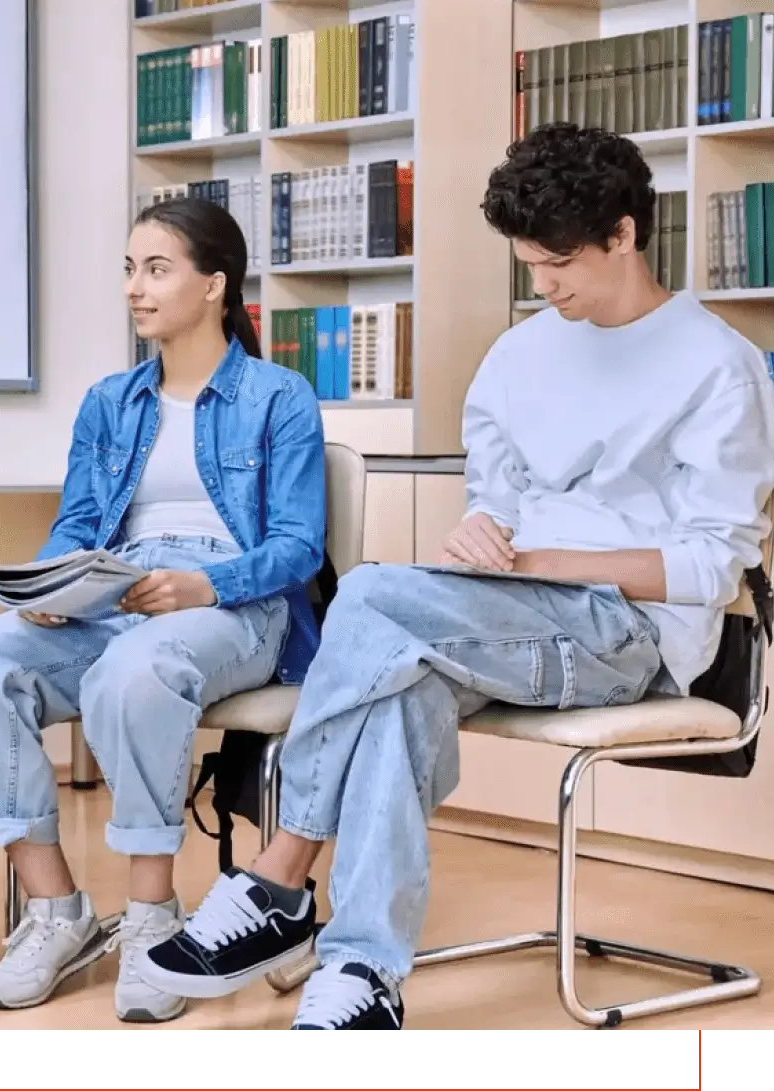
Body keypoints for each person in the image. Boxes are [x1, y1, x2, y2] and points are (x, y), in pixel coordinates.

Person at [138, 123, 774, 1031]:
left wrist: (543, 560)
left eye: (559, 262)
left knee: (366, 597)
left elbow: (716, 561)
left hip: (627, 634)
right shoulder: (523, 352)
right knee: (396, 688)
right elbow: (496, 496)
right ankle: (362, 974)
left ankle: (280, 876)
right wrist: (483, 532)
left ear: (626, 234)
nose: (543, 285)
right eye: (528, 264)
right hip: (503, 614)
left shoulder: (718, 364)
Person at [0, 196, 328, 1023]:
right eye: (128, 269)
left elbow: (298, 547)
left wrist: (201, 587)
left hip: (235, 601)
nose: (135, 289)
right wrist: (48, 582)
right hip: (116, 590)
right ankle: (55, 911)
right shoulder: (112, 401)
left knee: (133, 670)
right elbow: (77, 522)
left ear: (215, 285)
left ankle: (151, 918)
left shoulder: (278, 396)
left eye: (156, 269)